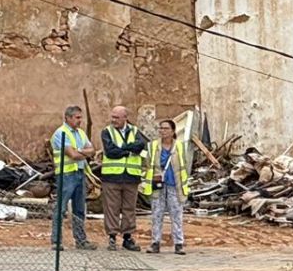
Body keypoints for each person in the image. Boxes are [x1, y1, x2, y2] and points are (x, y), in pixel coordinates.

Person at [97, 104, 147, 252]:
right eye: (113, 117)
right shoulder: (107, 132)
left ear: (125, 118)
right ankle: (112, 237)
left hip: (131, 177)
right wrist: (128, 150)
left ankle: (127, 237)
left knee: (129, 208)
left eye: (117, 118)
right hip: (112, 177)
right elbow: (111, 151)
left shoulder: (135, 131)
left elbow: (141, 145)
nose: (114, 120)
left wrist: (122, 148)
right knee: (111, 208)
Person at [49, 104, 95, 250]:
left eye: (81, 117)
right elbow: (72, 155)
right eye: (77, 117)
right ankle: (56, 241)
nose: (80, 120)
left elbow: (92, 150)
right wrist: (83, 152)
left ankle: (81, 240)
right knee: (61, 208)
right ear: (68, 118)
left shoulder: (81, 133)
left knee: (79, 209)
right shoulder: (60, 133)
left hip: (80, 173)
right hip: (66, 175)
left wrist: (80, 151)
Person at [141, 118, 189, 254]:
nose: (162, 131)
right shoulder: (152, 146)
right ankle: (155, 243)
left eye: (166, 128)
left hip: (175, 185)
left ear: (173, 131)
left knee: (176, 215)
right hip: (157, 185)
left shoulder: (179, 146)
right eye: (161, 128)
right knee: (157, 215)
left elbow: (184, 165)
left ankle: (179, 244)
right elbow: (146, 165)